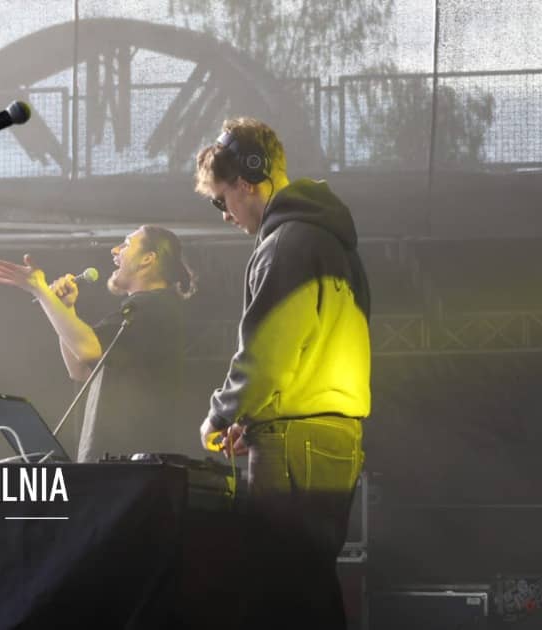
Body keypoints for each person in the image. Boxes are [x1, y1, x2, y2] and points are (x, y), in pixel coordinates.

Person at [194, 117, 371, 627]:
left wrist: (219, 419)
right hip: (334, 438)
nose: (225, 215)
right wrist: (254, 418)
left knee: (278, 593)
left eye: (221, 200)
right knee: (308, 589)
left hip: (295, 444)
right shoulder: (330, 239)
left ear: (247, 181)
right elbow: (306, 351)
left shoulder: (286, 243)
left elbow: (267, 354)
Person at [0, 225, 196, 462]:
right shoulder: (138, 309)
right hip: (113, 463)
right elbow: (80, 370)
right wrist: (66, 308)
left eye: (126, 243)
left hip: (132, 466)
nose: (115, 250)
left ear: (147, 259)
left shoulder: (153, 308)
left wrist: (40, 289)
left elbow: (87, 349)